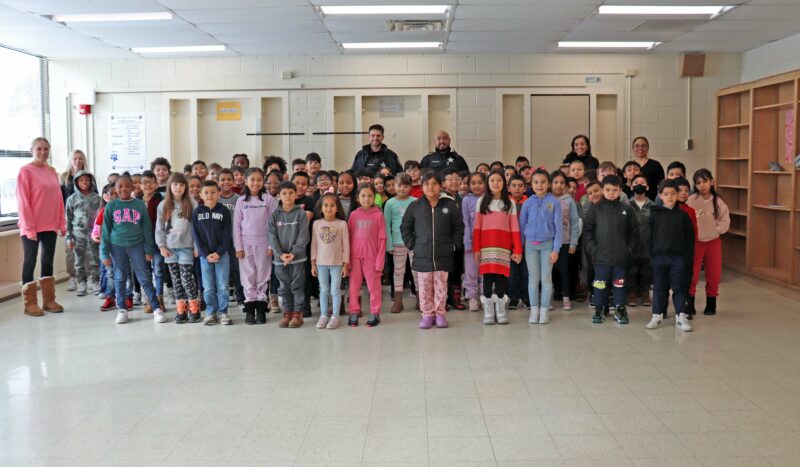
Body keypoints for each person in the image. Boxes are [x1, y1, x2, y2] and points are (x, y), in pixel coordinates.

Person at [401, 172, 465, 329]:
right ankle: (427, 314)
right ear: (422, 186)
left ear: (440, 185)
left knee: (441, 286)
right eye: (427, 183)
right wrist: (413, 245)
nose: (430, 187)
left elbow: (459, 227)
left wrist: (454, 245)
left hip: (444, 254)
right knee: (424, 287)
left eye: (434, 183)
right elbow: (405, 227)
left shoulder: (450, 205)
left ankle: (440, 313)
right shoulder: (415, 206)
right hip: (422, 254)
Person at [100, 176, 166, 324]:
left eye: (127, 186)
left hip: (137, 245)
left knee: (144, 277)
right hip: (117, 246)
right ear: (115, 189)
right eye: (120, 186)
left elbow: (147, 227)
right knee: (120, 277)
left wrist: (149, 249)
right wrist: (104, 252)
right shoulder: (111, 206)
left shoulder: (139, 204)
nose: (124, 189)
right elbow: (105, 231)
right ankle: (122, 309)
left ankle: (156, 308)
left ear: (133, 188)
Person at [17, 137, 67, 317]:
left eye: (46, 149)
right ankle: (30, 303)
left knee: (47, 261)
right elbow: (23, 202)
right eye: (39, 149)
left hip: (50, 224)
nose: (43, 152)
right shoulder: (25, 171)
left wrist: (62, 222)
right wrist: (29, 227)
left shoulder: (52, 172)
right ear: (32, 150)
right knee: (30, 262)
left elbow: (58, 200)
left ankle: (49, 301)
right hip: (31, 226)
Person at [583, 175, 638, 325]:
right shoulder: (595, 208)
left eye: (615, 190)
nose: (611, 193)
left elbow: (634, 232)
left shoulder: (627, 209)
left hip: (621, 258)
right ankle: (600, 308)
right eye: (608, 190)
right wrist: (593, 249)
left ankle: (620, 308)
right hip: (601, 258)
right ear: (602, 190)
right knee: (600, 284)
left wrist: (629, 250)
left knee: (619, 284)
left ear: (620, 190)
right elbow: (587, 231)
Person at [473, 171, 523, 325]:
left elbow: (515, 228)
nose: (496, 183)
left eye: (499, 180)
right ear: (488, 183)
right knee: (487, 278)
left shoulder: (510, 203)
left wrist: (518, 250)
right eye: (492, 180)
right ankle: (488, 310)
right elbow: (477, 228)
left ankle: (500, 309)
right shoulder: (481, 202)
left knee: (501, 278)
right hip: (486, 247)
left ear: (504, 183)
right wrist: (476, 248)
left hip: (503, 248)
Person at [645, 180, 695, 332]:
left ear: (678, 194)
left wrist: (687, 259)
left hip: (678, 258)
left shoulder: (683, 216)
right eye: (666, 194)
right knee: (659, 287)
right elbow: (648, 238)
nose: (670, 197)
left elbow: (690, 239)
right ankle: (656, 315)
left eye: (673, 193)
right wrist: (651, 258)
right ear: (660, 195)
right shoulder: (654, 215)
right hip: (659, 258)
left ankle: (681, 316)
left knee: (679, 288)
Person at [234, 168, 278, 324]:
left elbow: (273, 225)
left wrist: (272, 245)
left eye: (259, 179)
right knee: (248, 276)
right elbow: (236, 226)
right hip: (246, 245)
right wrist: (238, 247)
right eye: (252, 179)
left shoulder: (268, 200)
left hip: (264, 243)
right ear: (246, 181)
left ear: (263, 181)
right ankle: (250, 309)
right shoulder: (241, 201)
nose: (255, 183)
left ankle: (261, 309)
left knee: (263, 275)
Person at [519, 169, 562, 325]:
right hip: (530, 245)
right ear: (531, 184)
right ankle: (534, 309)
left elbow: (559, 229)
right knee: (533, 278)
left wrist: (556, 249)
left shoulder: (554, 202)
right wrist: (519, 248)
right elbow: (521, 225)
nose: (539, 185)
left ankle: (544, 310)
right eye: (536, 182)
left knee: (546, 278)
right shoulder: (527, 202)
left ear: (548, 184)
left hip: (548, 246)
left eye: (543, 182)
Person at [156, 173, 199, 323]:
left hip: (186, 247)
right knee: (176, 280)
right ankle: (181, 309)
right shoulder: (163, 205)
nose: (178, 187)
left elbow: (196, 228)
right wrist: (161, 246)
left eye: (181, 184)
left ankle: (194, 307)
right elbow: (159, 228)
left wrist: (196, 246)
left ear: (185, 187)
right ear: (170, 186)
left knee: (187, 278)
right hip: (170, 249)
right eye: (175, 184)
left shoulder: (192, 203)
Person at [686, 169, 729, 317]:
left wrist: (716, 230)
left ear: (711, 182)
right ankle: (689, 303)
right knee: (693, 273)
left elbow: (725, 220)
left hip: (713, 241)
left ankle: (711, 304)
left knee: (713, 272)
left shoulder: (718, 201)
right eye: (698, 183)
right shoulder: (691, 200)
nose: (702, 185)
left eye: (704, 181)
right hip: (696, 242)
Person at [269, 181, 311, 328]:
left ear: (296, 194)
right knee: (283, 287)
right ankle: (287, 312)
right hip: (280, 260)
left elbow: (303, 236)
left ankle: (297, 314)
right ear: (279, 195)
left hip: (297, 259)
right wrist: (280, 254)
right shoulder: (274, 215)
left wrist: (293, 253)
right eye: (284, 193)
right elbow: (272, 236)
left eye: (291, 193)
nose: (287, 196)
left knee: (297, 286)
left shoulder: (301, 214)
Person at [193, 181, 233, 326]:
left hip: (222, 255)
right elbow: (196, 235)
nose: (210, 195)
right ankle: (210, 312)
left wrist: (220, 252)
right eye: (206, 192)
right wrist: (205, 253)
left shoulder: (224, 211)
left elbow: (227, 234)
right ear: (201, 194)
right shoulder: (197, 212)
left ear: (219, 193)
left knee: (222, 285)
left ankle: (223, 311)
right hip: (205, 257)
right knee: (208, 286)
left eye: (213, 192)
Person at [346, 183, 387, 327]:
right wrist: (347, 260)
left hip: (372, 257)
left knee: (373, 287)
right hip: (355, 257)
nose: (366, 199)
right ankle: (353, 312)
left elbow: (382, 239)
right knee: (354, 287)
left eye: (370, 196)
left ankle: (375, 313)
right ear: (358, 197)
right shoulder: (353, 215)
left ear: (374, 197)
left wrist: (379, 261)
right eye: (363, 195)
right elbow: (348, 238)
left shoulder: (378, 215)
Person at [311, 193, 350, 329]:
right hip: (321, 263)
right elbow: (314, 245)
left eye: (332, 205)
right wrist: (313, 263)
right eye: (326, 205)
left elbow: (346, 245)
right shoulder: (316, 224)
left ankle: (335, 316)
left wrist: (345, 264)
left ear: (337, 208)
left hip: (337, 263)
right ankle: (323, 315)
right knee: (324, 290)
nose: (329, 208)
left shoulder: (342, 224)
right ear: (321, 208)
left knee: (335, 290)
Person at [65, 170, 101, 297]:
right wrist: (69, 236)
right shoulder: (72, 199)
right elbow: (68, 219)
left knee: (94, 258)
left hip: (93, 234)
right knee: (78, 260)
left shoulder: (97, 199)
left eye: (87, 179)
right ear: (76, 182)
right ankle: (81, 282)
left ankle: (95, 280)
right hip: (77, 233)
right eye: (81, 180)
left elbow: (101, 217)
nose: (84, 182)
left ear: (91, 182)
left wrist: (100, 233)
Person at [384, 173, 416, 313]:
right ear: (394, 186)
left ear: (410, 187)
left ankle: (421, 299)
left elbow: (420, 223)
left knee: (417, 271)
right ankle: (398, 300)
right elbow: (386, 225)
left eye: (405, 185)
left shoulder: (416, 201)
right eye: (399, 185)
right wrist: (389, 244)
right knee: (398, 272)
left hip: (415, 243)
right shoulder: (390, 203)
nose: (402, 188)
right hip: (397, 243)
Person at [60, 149, 90, 292]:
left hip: (86, 221)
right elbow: (59, 201)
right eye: (75, 158)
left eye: (80, 158)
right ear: (71, 160)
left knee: (88, 250)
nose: (78, 161)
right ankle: (73, 277)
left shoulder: (88, 176)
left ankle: (88, 277)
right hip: (70, 220)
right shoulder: (64, 178)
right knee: (71, 250)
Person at [550, 171, 580, 312]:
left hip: (565, 242)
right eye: (555, 182)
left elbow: (574, 223)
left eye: (562, 183)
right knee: (549, 271)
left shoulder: (569, 201)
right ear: (550, 183)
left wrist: (573, 243)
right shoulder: (546, 198)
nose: (558, 185)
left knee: (564, 270)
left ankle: (566, 297)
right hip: (548, 242)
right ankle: (548, 298)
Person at [627, 174, 655, 307]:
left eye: (642, 182)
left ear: (647, 187)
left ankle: (645, 293)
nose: (639, 184)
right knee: (631, 270)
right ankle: (631, 293)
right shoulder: (626, 205)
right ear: (631, 186)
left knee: (647, 270)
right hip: (631, 244)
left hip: (647, 244)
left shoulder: (653, 206)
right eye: (636, 182)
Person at [217, 169, 244, 308]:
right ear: (218, 182)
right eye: (222, 179)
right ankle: (222, 301)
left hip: (235, 240)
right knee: (222, 272)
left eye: (229, 179)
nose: (226, 182)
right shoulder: (215, 198)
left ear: (233, 181)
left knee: (237, 270)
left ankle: (241, 298)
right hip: (220, 241)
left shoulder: (239, 199)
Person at [139, 170, 164, 312]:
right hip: (141, 242)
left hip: (157, 241)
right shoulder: (136, 202)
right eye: (145, 182)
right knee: (145, 271)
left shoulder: (160, 201)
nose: (148, 185)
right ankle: (149, 298)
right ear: (141, 186)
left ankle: (159, 298)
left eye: (151, 182)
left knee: (159, 270)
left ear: (156, 184)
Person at [441, 167, 466, 310]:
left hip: (459, 240)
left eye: (457, 179)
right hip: (444, 241)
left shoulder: (461, 198)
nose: (454, 182)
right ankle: (442, 299)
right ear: (443, 183)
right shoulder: (441, 199)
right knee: (444, 271)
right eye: (450, 179)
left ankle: (455, 298)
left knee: (457, 269)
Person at [462, 172, 485, 311]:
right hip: (471, 243)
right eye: (473, 183)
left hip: (487, 243)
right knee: (471, 271)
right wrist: (467, 242)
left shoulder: (488, 199)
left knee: (484, 271)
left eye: (480, 183)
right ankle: (471, 297)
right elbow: (465, 222)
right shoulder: (466, 200)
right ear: (469, 185)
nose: (477, 186)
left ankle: (484, 296)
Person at [507, 174, 529, 310]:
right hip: (509, 243)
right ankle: (514, 298)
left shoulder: (529, 201)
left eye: (520, 186)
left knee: (526, 272)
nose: (517, 188)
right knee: (512, 273)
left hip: (527, 242)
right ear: (508, 188)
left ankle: (527, 298)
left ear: (525, 188)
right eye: (514, 185)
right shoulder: (505, 202)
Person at [631, 136, 664, 200]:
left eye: (643, 146)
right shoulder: (629, 166)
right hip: (632, 203)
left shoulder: (656, 165)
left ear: (648, 148)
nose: (640, 148)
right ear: (633, 148)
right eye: (637, 146)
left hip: (652, 202)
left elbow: (661, 185)